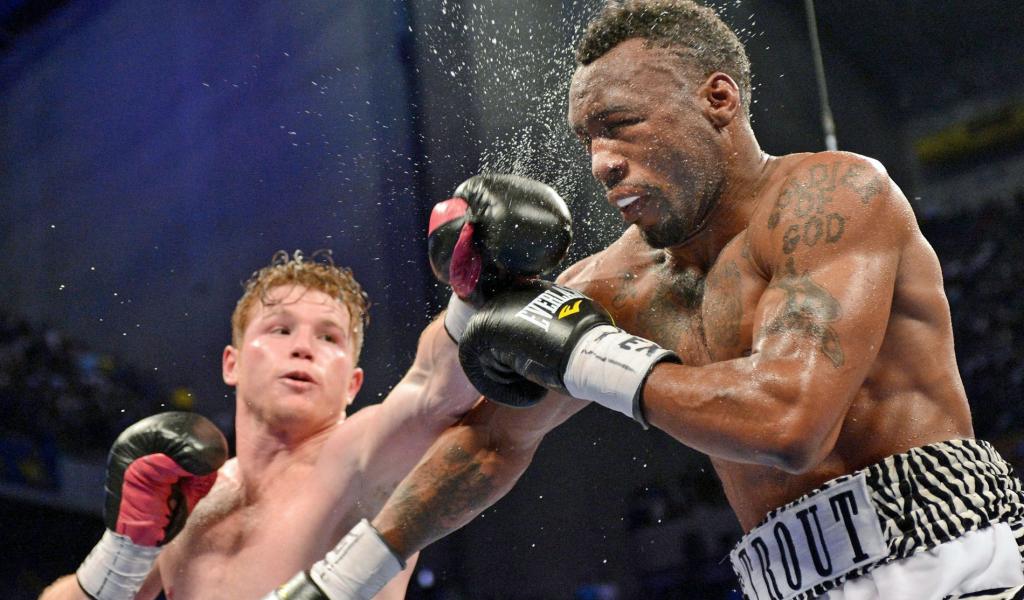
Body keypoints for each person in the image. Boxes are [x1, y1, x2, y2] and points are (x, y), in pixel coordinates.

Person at [281, 2, 1024, 599]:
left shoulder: (833, 197)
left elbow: (791, 420)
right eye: (587, 139)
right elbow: (491, 441)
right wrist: (340, 580)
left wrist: (589, 356)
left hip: (950, 563)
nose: (601, 163)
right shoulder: (618, 283)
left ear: (718, 99)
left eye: (620, 126)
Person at [38, 226, 569, 600]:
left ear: (352, 383)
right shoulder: (190, 492)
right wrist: (123, 547)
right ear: (231, 363)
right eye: (280, 329)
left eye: (330, 338)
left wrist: (472, 295)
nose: (303, 348)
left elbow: (433, 387)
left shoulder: (359, 458)